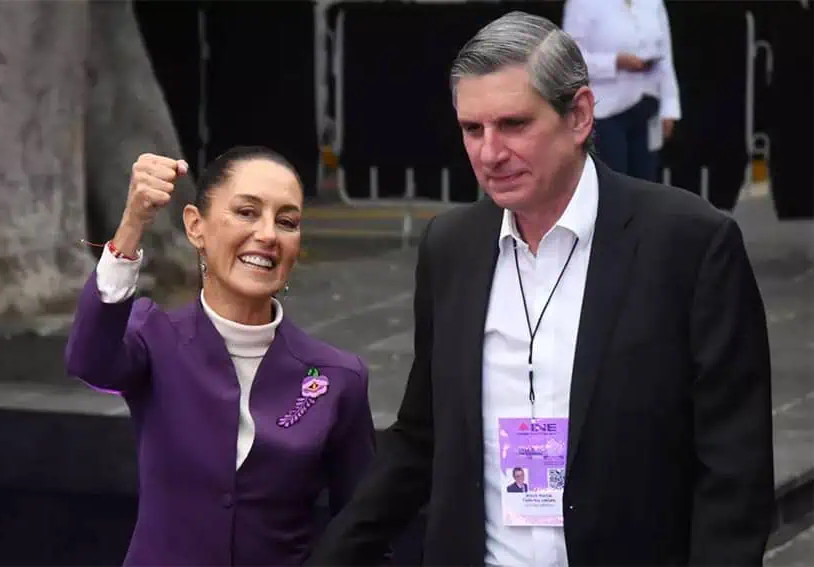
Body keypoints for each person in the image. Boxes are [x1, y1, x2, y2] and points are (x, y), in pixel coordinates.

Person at [306, 11, 774, 567]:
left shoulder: (690, 244)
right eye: (472, 129)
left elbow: (734, 470)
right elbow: (422, 435)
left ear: (578, 115)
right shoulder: (451, 247)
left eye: (513, 124)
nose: (489, 152)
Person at [65, 146, 377, 566]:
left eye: (286, 221)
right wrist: (133, 223)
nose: (267, 234)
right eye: (247, 212)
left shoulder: (339, 376)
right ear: (196, 226)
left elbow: (363, 532)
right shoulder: (153, 337)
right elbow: (90, 360)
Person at [562, 0, 681, 182]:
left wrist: (669, 107)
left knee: (646, 185)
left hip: (647, 107)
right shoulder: (581, 4)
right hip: (604, 110)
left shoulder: (653, 3)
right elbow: (572, 60)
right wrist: (615, 62)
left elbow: (665, 57)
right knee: (613, 185)